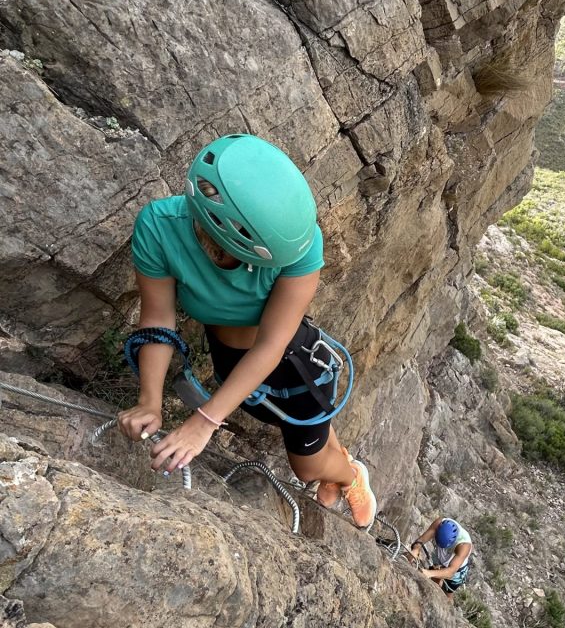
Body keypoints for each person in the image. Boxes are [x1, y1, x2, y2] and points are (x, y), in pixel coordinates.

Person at [117, 133, 377, 529]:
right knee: (296, 427)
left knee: (305, 468)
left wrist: (205, 422)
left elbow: (272, 343)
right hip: (231, 359)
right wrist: (149, 400)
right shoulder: (159, 227)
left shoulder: (299, 247)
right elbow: (157, 318)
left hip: (294, 366)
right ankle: (331, 450)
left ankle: (349, 475)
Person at [410, 517, 472, 597]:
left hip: (457, 568)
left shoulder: (464, 545)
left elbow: (451, 572)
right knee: (435, 579)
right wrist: (416, 549)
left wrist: (429, 573)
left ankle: (448, 604)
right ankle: (435, 595)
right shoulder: (439, 523)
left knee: (448, 592)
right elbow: (420, 541)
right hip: (439, 557)